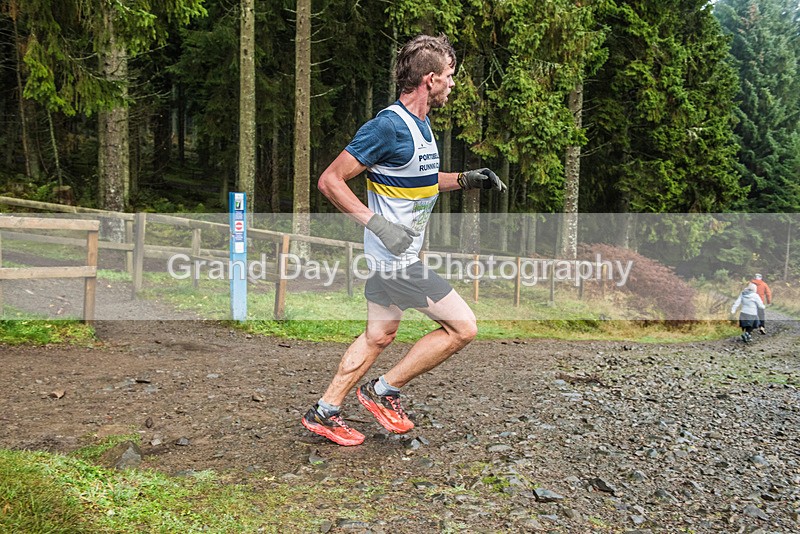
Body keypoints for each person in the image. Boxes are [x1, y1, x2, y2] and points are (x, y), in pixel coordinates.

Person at [301, 34, 507, 446]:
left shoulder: (421, 125)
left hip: (393, 257)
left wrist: (466, 179)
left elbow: (419, 181)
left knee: (379, 335)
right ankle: (383, 391)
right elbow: (330, 180)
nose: (453, 84)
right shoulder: (388, 126)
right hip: (395, 259)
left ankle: (325, 411)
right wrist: (377, 224)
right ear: (429, 79)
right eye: (450, 76)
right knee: (463, 327)